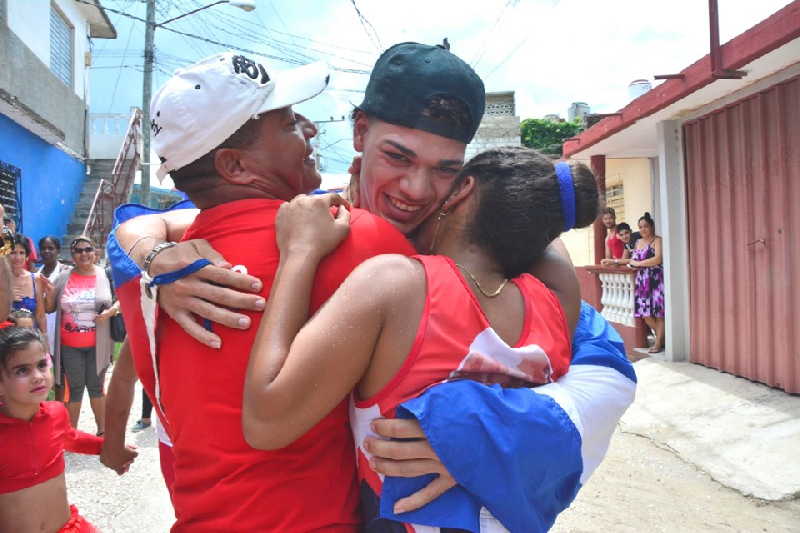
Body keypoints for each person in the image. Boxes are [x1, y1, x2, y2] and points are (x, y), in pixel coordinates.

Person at [111, 44, 636, 530]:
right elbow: (173, 222)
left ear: (467, 180)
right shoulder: (337, 228)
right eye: (398, 157)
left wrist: (484, 437)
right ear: (359, 133)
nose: (415, 189)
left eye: (445, 170)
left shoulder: (495, 253)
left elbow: (604, 378)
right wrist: (148, 248)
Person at [243, 148, 598, 530]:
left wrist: (299, 251)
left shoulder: (396, 285)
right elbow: (553, 249)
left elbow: (266, 423)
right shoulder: (555, 301)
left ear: (463, 191)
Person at [0, 327, 116, 532]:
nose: (37, 376)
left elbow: (71, 438)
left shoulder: (56, 413)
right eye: (22, 370)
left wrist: (109, 447)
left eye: (42, 365)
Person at [44, 237, 119, 434]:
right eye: (78, 251)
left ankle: (103, 432)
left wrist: (110, 312)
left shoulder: (106, 274)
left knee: (96, 387)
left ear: (95, 252)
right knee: (75, 388)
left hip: (98, 343)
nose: (84, 253)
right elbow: (50, 308)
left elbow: (121, 299)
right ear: (73, 255)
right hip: (70, 345)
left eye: (88, 249)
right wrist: (50, 294)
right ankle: (71, 434)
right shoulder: (63, 277)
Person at [629, 212, 664, 352]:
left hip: (655, 280)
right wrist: (615, 261)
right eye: (640, 227)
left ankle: (658, 343)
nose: (643, 229)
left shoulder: (657, 240)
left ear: (652, 227)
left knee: (658, 313)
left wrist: (638, 264)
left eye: (646, 226)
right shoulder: (638, 242)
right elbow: (632, 260)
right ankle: (664, 338)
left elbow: (658, 259)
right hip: (642, 282)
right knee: (646, 316)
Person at [37, 236, 69, 355]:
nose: (46, 251)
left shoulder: (66, 272)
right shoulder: (36, 275)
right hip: (43, 326)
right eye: (43, 248)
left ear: (58, 251)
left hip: (62, 325)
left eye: (51, 248)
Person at [10, 234, 47, 336]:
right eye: (13, 252)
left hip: (29, 341)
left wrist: (44, 340)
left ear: (27, 256)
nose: (17, 257)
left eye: (22, 253)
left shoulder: (36, 279)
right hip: (5, 343)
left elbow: (40, 315)